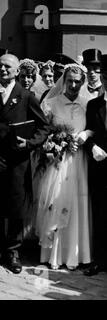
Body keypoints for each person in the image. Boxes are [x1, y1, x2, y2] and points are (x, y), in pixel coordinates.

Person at [0, 54, 49, 274]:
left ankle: (13, 251)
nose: (2, 69)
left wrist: (29, 143)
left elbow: (44, 127)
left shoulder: (26, 96)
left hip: (18, 161)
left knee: (16, 206)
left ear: (17, 70)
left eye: (7, 66)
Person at [35, 64, 92, 270]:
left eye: (78, 82)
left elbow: (94, 128)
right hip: (58, 163)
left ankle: (76, 254)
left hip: (79, 162)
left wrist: (86, 135)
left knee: (77, 204)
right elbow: (41, 132)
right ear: (64, 81)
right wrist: (51, 145)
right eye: (70, 81)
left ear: (83, 83)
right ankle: (53, 254)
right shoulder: (50, 104)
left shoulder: (87, 104)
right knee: (56, 203)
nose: (74, 85)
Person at [84, 54, 107, 276]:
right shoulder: (94, 105)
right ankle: (99, 259)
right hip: (100, 167)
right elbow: (88, 131)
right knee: (100, 213)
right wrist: (92, 146)